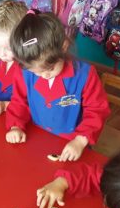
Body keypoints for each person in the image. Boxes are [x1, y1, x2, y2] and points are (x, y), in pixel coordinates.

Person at [6, 11, 110, 161]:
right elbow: (19, 101)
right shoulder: (24, 71)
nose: (44, 76)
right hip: (36, 137)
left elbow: (97, 110)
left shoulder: (85, 74)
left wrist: (80, 141)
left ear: (64, 47)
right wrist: (15, 126)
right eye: (36, 72)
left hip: (72, 143)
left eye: (49, 69)